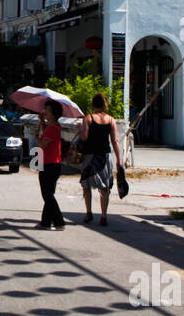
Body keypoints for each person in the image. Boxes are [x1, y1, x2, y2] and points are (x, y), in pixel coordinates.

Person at [77, 92, 124, 226]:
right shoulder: (111, 120)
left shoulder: (88, 118)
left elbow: (84, 138)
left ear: (93, 104)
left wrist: (80, 130)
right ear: (105, 104)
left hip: (90, 156)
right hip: (105, 156)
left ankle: (89, 213)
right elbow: (115, 141)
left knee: (86, 185)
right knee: (104, 188)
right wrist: (119, 159)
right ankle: (103, 216)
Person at [35, 100, 66, 230]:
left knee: (47, 194)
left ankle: (59, 221)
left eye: (47, 111)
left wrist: (36, 138)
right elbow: (45, 130)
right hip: (52, 163)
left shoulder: (53, 128)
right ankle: (45, 222)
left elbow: (42, 145)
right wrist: (42, 122)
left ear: (53, 114)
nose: (45, 112)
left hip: (49, 164)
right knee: (49, 194)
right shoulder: (54, 126)